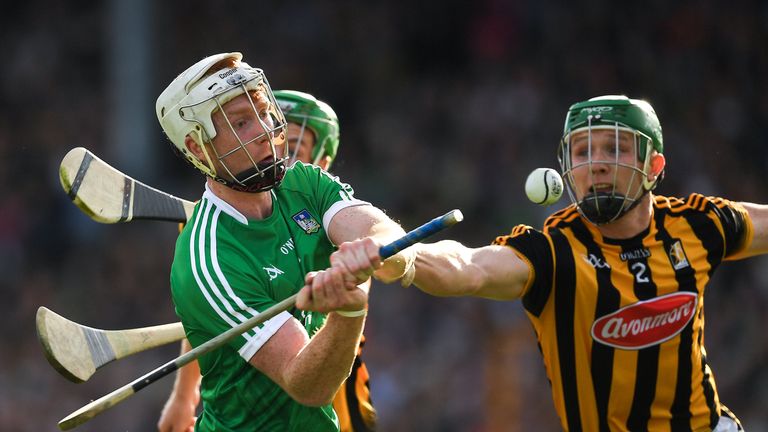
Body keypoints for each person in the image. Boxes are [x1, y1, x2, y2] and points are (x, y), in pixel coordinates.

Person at [322, 95, 765, 431]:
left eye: (615, 149)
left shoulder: (698, 224)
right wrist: (405, 257)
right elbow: (470, 267)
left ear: (654, 165)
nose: (596, 165)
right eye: (582, 152)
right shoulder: (553, 250)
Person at [154, 52, 413, 431]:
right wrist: (349, 310)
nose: (263, 130)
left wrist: (374, 248)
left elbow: (389, 238)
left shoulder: (302, 182)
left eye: (262, 111)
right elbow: (307, 385)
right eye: (241, 122)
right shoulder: (208, 260)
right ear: (197, 148)